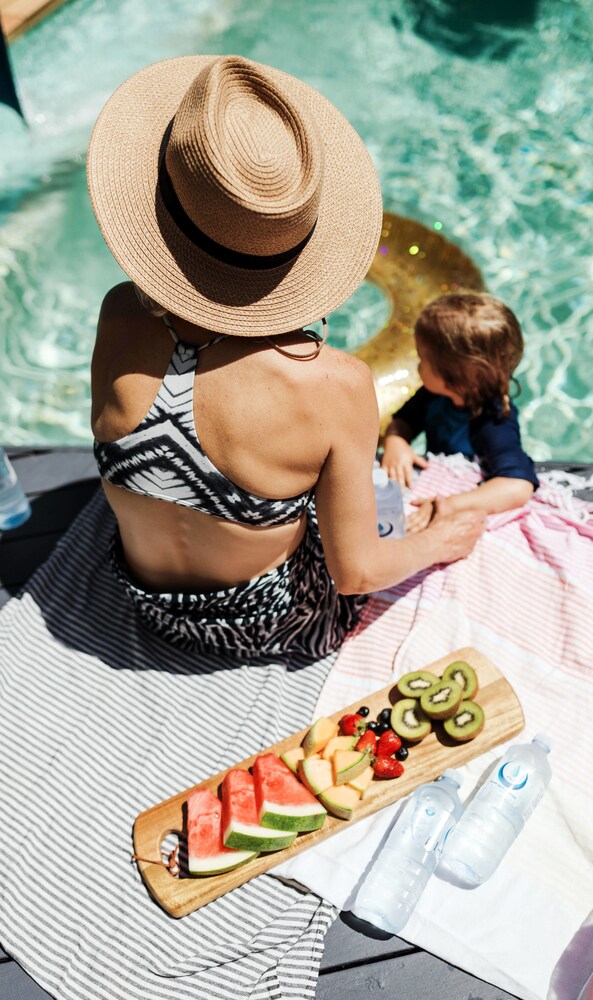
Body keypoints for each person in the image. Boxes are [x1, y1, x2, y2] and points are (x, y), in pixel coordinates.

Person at [87, 53, 485, 661]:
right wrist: (439, 541)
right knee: (371, 492)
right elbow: (355, 575)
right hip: (278, 627)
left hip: (147, 603)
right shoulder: (333, 385)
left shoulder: (120, 314)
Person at [381, 293, 539, 532]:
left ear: (458, 376)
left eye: (423, 359)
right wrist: (396, 441)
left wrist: (452, 505)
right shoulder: (433, 394)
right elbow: (404, 421)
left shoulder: (493, 418)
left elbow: (518, 485)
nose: (418, 366)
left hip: (460, 490)